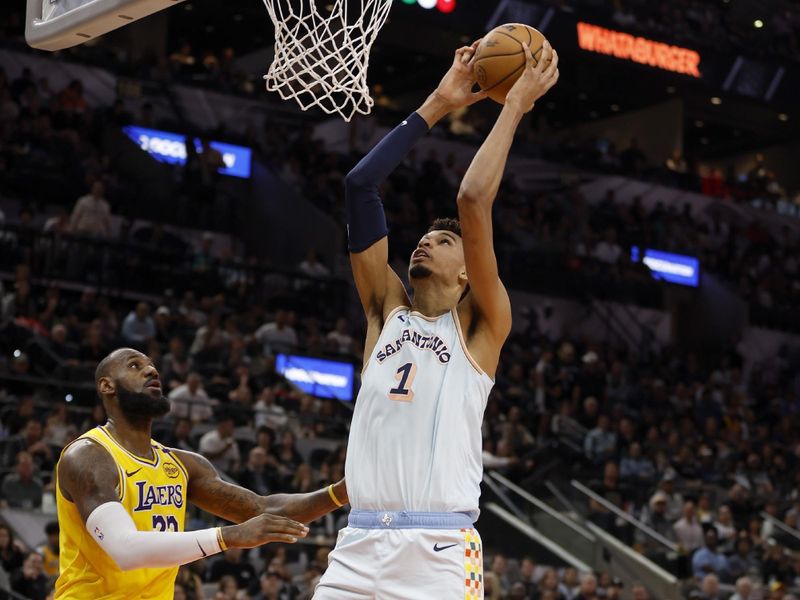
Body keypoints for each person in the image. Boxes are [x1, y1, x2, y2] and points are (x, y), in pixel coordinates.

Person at [313, 38, 559, 598]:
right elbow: (359, 185)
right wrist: (439, 102)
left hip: (438, 551)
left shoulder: (481, 327)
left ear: (468, 272)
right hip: (357, 545)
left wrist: (515, 103)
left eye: (443, 240)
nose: (424, 242)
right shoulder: (384, 311)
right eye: (422, 237)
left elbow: (473, 198)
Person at [54, 348, 348, 599]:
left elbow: (264, 509)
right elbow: (124, 549)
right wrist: (227, 537)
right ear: (107, 386)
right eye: (135, 365)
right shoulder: (88, 455)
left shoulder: (182, 465)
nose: (151, 370)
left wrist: (344, 490)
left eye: (152, 366)